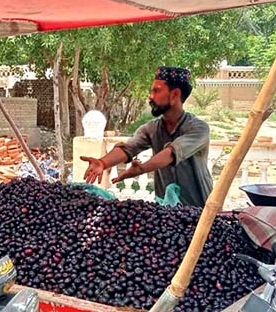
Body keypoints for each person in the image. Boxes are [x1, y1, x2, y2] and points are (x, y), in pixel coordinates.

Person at [82, 66, 213, 207]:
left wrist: (142, 168)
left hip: (200, 208)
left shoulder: (199, 129)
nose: (151, 96)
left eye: (156, 91)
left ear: (175, 95)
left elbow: (171, 153)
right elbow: (128, 148)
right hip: (166, 209)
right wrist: (103, 163)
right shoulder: (151, 129)